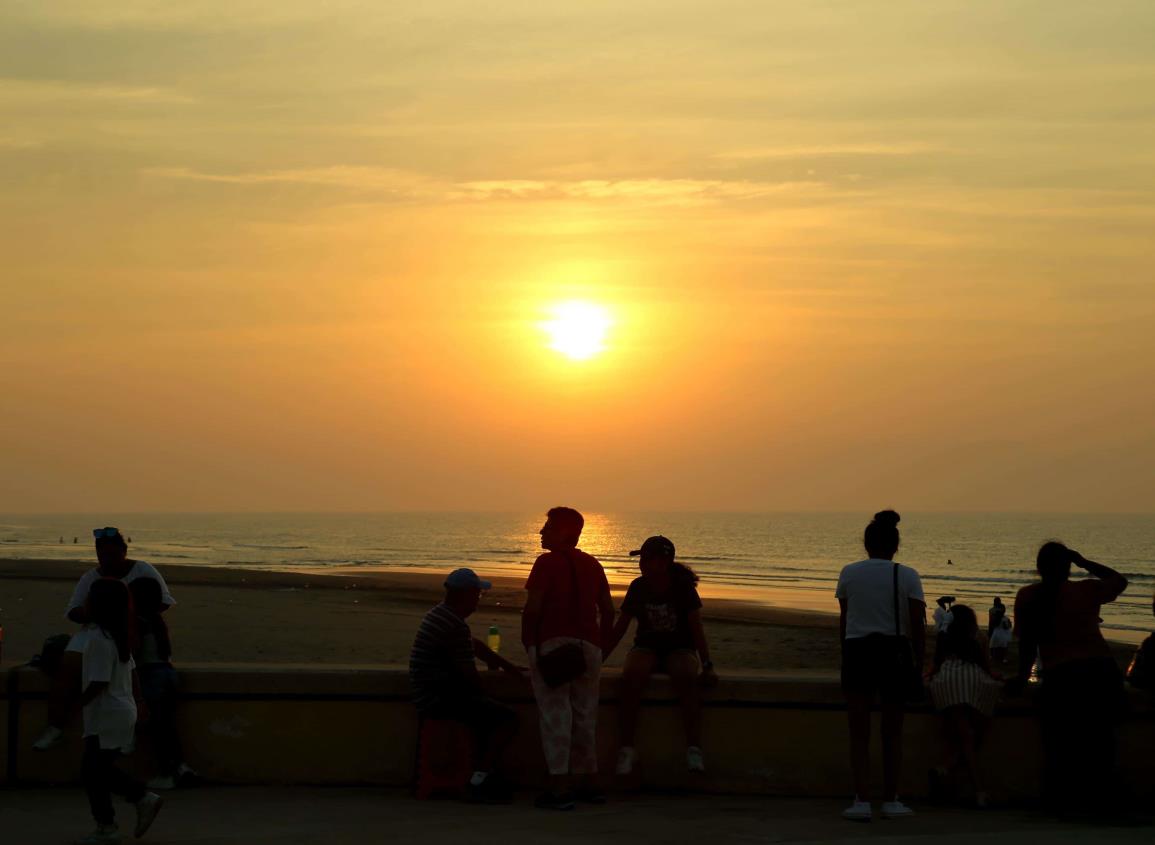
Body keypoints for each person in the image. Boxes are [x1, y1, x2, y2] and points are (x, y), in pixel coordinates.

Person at [1011, 542, 1128, 817]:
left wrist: (1019, 678)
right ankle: (1103, 804)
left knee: (1060, 744)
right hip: (1100, 673)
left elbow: (1027, 645)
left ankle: (1061, 802)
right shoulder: (1085, 590)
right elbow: (1119, 581)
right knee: (1101, 743)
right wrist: (1085, 562)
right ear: (1068, 567)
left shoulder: (1028, 596)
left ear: (1039, 568)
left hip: (1062, 677)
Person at [34, 528, 176, 751]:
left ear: (124, 551)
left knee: (125, 674)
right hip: (98, 631)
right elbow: (73, 610)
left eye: (112, 555)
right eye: (102, 556)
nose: (107, 560)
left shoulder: (142, 569)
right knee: (66, 669)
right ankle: (55, 727)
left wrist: (128, 615)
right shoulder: (91, 577)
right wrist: (97, 615)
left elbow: (163, 601)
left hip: (135, 631)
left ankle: (126, 732)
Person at [835, 510, 926, 822]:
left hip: (858, 650)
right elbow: (916, 625)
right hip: (894, 653)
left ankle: (861, 799)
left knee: (858, 732)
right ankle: (891, 798)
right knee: (892, 732)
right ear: (896, 545)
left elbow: (846, 620)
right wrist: (920, 664)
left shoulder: (848, 573)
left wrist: (845, 656)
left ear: (866, 543)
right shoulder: (908, 575)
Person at [522, 506, 614, 811]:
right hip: (589, 647)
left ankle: (560, 787)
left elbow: (533, 608)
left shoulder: (545, 564)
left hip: (554, 644)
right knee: (586, 715)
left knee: (556, 716)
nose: (541, 531)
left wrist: (530, 646)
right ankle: (591, 782)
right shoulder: (593, 564)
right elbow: (608, 610)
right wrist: (601, 645)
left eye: (547, 526)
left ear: (564, 532)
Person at [603, 536, 718, 776]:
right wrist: (600, 659)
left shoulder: (683, 588)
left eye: (647, 559)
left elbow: (696, 628)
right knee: (632, 675)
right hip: (646, 646)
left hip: (680, 647)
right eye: (641, 559)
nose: (642, 564)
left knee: (685, 675)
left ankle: (694, 748)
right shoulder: (638, 586)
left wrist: (707, 664)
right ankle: (626, 748)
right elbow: (621, 626)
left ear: (664, 562)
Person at [409, 568, 524, 803]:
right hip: (436, 701)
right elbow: (470, 674)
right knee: (507, 719)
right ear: (466, 595)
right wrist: (487, 696)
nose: (478, 600)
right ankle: (479, 778)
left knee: (485, 714)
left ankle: (480, 773)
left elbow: (475, 646)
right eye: (477, 595)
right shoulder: (454, 624)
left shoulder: (440, 614)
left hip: (428, 694)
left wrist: (509, 667)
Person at [73, 578, 164, 844]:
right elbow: (132, 670)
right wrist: (139, 701)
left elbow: (99, 682)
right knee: (97, 769)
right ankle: (136, 801)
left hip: (107, 713)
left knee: (94, 770)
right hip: (120, 710)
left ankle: (110, 823)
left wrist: (76, 705)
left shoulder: (99, 638)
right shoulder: (118, 634)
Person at [927, 605, 1002, 808]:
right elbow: (986, 668)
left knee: (962, 736)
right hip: (969, 681)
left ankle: (946, 769)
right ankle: (978, 790)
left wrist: (929, 675)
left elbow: (935, 665)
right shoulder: (976, 641)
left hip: (948, 682)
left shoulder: (944, 638)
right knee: (970, 737)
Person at [129, 578, 196, 790]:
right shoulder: (157, 620)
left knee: (157, 728)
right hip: (167, 673)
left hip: (151, 676)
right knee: (167, 727)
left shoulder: (138, 621)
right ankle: (180, 767)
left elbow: (134, 652)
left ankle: (168, 772)